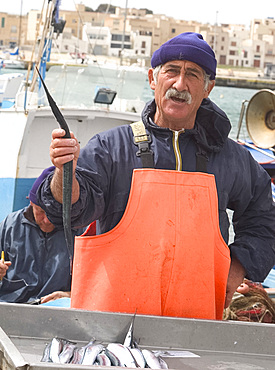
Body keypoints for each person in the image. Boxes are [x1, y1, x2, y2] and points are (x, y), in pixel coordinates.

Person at [37, 32, 275, 318]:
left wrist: (237, 266)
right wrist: (65, 172)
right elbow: (72, 209)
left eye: (193, 75)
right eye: (171, 71)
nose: (180, 84)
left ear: (208, 88)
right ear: (152, 78)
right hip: (111, 320)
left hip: (198, 319)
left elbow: (263, 217)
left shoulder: (232, 158)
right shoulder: (110, 148)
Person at [0, 166, 83, 304]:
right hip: (12, 308)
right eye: (40, 211)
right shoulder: (10, 225)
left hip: (56, 310)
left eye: (54, 214)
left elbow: (95, 282)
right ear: (31, 203)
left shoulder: (80, 230)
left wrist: (69, 294)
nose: (47, 220)